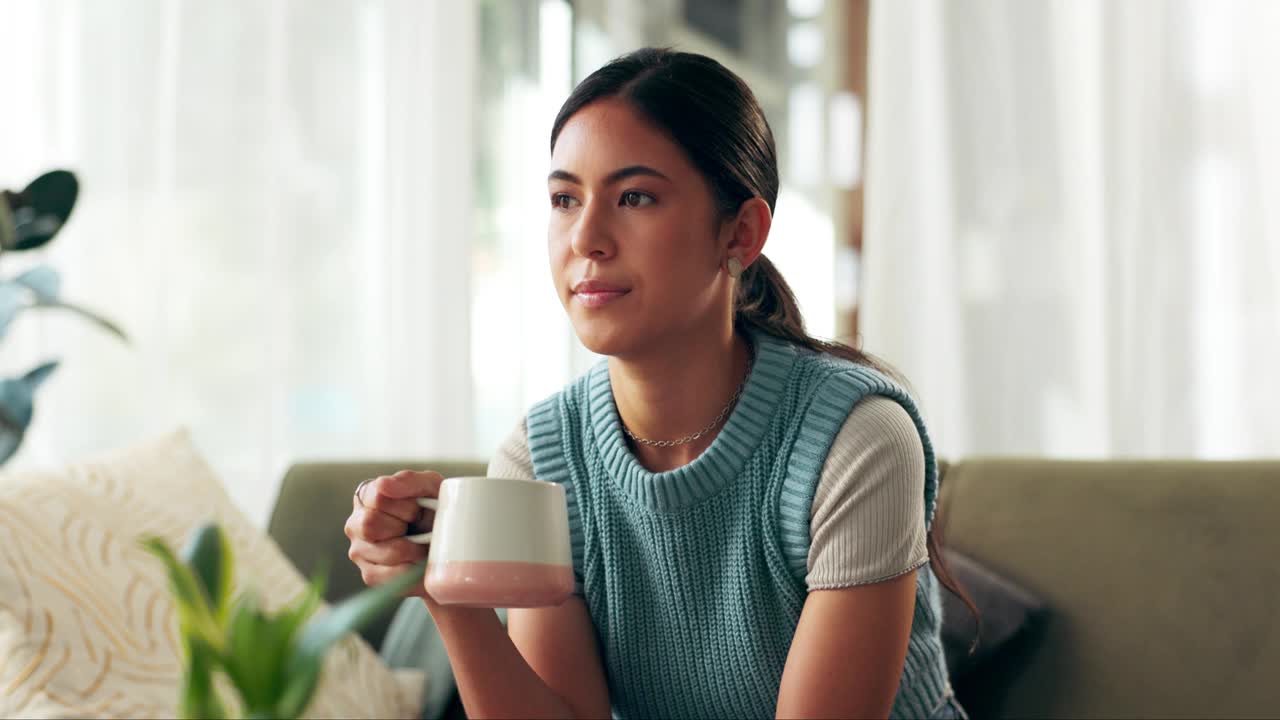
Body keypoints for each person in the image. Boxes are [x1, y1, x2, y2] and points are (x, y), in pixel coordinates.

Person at [345, 47, 971, 719]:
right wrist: (448, 593)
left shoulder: (858, 440)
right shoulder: (541, 462)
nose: (586, 237)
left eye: (635, 197)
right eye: (564, 199)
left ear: (741, 232)